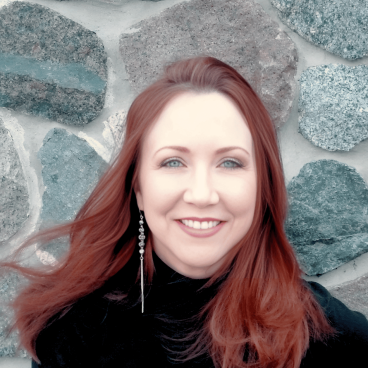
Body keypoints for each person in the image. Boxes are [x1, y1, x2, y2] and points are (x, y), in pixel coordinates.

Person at [1, 55, 367, 368]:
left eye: (230, 163)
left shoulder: (322, 332)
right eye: (173, 162)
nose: (202, 194)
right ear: (138, 187)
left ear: (262, 187)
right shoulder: (70, 331)